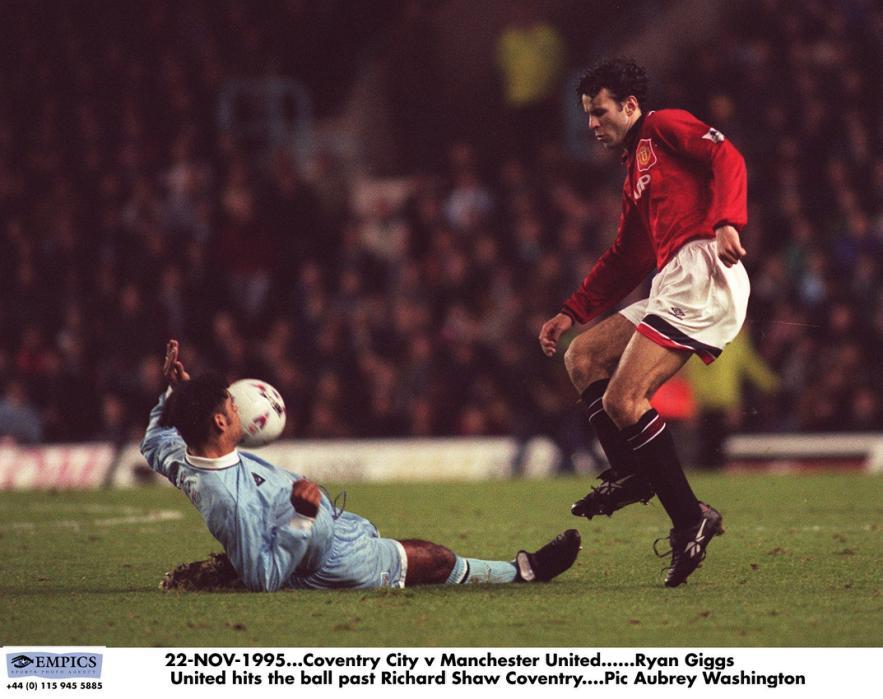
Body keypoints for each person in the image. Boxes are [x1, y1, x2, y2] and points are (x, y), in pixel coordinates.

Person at [538, 58, 749, 587]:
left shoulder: (663, 125)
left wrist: (726, 220)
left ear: (629, 106)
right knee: (582, 357)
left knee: (623, 401)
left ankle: (690, 519)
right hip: (671, 279)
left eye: (599, 111)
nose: (591, 123)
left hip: (704, 270)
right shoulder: (635, 170)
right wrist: (571, 311)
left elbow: (726, 154)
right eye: (587, 114)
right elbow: (627, 256)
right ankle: (633, 472)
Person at [142, 340, 580, 592]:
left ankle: (519, 570)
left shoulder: (184, 456)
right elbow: (264, 579)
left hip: (333, 532)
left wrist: (176, 397)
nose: (237, 406)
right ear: (219, 422)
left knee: (416, 552)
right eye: (229, 405)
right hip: (329, 561)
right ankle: (524, 572)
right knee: (436, 559)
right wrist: (301, 516)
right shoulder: (227, 499)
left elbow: (154, 440)